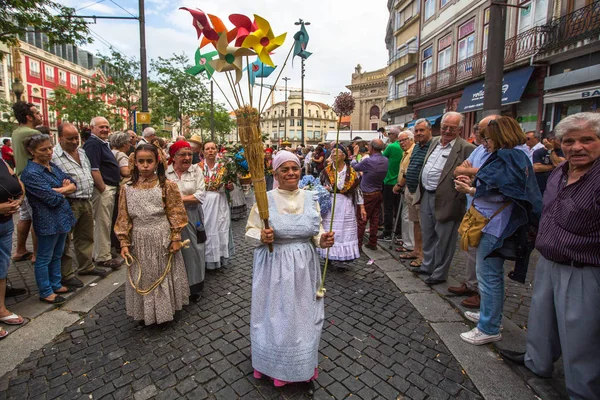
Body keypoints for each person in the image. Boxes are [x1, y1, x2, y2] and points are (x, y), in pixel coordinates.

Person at [498, 112, 600, 399]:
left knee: (581, 336)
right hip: (548, 259)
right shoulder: (560, 171)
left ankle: (582, 391)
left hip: (583, 267)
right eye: (569, 141)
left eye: (586, 140)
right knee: (542, 319)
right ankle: (537, 362)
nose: (576, 147)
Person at [246, 151, 335, 389]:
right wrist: (261, 236)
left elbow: (316, 230)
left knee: (303, 315)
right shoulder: (265, 199)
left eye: (294, 168)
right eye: (284, 169)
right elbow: (250, 232)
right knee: (275, 314)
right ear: (275, 174)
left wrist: (322, 240)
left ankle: (301, 365)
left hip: (304, 267)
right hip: (274, 266)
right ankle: (272, 364)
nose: (291, 173)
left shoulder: (310, 198)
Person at [454, 117, 541, 345]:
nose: (485, 143)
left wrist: (470, 189)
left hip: (495, 225)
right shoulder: (514, 155)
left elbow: (501, 190)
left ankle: (489, 327)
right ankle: (490, 316)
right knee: (490, 274)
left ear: (500, 137)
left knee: (488, 275)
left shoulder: (509, 155)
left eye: (488, 139)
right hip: (496, 222)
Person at [115, 144, 190, 325]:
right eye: (141, 161)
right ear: (135, 163)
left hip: (161, 236)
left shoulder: (167, 186)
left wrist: (176, 238)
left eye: (149, 161)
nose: (145, 165)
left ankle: (164, 311)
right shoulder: (127, 188)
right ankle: (146, 312)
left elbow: (175, 213)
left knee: (161, 273)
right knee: (144, 274)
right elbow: (123, 216)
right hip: (139, 238)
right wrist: (124, 242)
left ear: (157, 162)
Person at [413, 112, 475, 285]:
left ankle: (439, 273)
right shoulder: (434, 142)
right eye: (444, 127)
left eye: (452, 128)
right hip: (426, 193)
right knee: (428, 233)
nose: (447, 131)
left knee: (445, 239)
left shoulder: (466, 148)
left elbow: (472, 174)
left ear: (460, 129)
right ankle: (427, 265)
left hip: (448, 199)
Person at [20, 134, 77, 305]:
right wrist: (64, 189)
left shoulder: (52, 166)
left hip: (61, 217)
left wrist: (62, 188)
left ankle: (56, 283)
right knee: (44, 256)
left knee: (57, 254)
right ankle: (45, 291)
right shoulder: (30, 173)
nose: (49, 152)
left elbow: (73, 183)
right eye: (43, 150)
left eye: (50, 148)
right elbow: (49, 197)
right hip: (47, 219)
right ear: (32, 151)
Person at [53, 124, 108, 288]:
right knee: (65, 239)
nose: (74, 141)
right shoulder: (55, 155)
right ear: (60, 138)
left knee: (85, 235)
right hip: (68, 201)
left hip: (85, 199)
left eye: (76, 137)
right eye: (70, 138)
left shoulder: (82, 152)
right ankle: (67, 274)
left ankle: (86, 266)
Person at [166, 141, 206, 303]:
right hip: (170, 218)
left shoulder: (196, 170)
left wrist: (175, 199)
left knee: (194, 250)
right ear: (173, 157)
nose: (187, 158)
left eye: (189, 154)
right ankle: (175, 287)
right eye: (183, 154)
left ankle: (194, 286)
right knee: (174, 252)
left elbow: (200, 196)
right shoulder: (166, 173)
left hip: (192, 215)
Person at [83, 117, 122, 270]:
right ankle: (102, 256)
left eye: (107, 126)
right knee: (102, 222)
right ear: (92, 128)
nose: (105, 129)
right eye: (101, 127)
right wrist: (103, 189)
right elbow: (94, 168)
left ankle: (102, 252)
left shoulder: (100, 143)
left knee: (105, 222)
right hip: (103, 189)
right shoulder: (93, 143)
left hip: (107, 187)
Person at [318, 144, 364, 267]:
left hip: (346, 204)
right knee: (331, 229)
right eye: (332, 152)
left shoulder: (351, 172)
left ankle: (343, 257)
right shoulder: (326, 171)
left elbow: (357, 190)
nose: (333, 154)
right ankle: (329, 256)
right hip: (331, 203)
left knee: (344, 231)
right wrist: (324, 189)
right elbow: (318, 187)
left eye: (336, 152)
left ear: (344, 155)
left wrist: (362, 207)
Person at [11, 102, 43, 264]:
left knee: (25, 216)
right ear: (29, 117)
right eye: (37, 113)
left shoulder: (16, 132)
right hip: (33, 180)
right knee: (37, 217)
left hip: (20, 178)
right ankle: (37, 254)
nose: (40, 115)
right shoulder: (32, 133)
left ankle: (20, 250)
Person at [200, 142, 234, 271]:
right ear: (203, 151)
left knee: (220, 228)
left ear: (217, 151)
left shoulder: (224, 167)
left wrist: (230, 187)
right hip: (204, 201)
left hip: (220, 201)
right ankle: (205, 258)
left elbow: (230, 186)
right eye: (207, 149)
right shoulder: (197, 167)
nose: (210, 151)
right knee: (207, 228)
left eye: (212, 148)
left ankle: (219, 257)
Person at [0, 158, 25, 338]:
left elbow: (16, 180)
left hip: (5, 224)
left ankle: (1, 308)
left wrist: (18, 200)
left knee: (2, 268)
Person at [351, 139, 388, 250]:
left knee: (362, 220)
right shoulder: (385, 160)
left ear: (371, 148)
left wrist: (354, 155)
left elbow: (354, 166)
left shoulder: (369, 161)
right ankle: (373, 242)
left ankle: (358, 245)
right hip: (378, 192)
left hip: (367, 193)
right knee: (375, 219)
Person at [392, 130, 415, 253]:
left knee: (408, 217)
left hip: (408, 187)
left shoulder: (412, 152)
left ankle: (409, 244)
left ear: (411, 139)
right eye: (399, 140)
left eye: (403, 140)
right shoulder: (405, 152)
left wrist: (399, 184)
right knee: (405, 216)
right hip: (404, 188)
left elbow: (408, 172)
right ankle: (407, 241)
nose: (401, 143)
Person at [380, 128, 404, 242]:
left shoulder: (391, 146)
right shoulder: (405, 147)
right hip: (401, 181)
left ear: (394, 135)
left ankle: (387, 232)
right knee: (399, 208)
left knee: (388, 208)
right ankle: (399, 232)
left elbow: (382, 158)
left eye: (389, 134)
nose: (388, 136)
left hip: (389, 181)